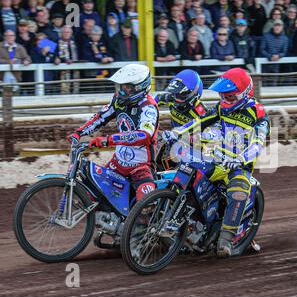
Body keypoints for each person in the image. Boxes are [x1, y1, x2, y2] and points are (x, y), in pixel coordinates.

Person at [164, 68, 271, 257]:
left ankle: (226, 239)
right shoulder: (221, 107)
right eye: (223, 96)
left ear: (244, 94)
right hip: (214, 157)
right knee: (187, 168)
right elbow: (199, 121)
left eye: (229, 97)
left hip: (238, 165)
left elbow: (258, 143)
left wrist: (240, 159)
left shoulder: (258, 113)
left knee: (238, 190)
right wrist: (176, 133)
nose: (225, 100)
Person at [67, 64, 159, 202]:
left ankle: (142, 222)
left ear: (139, 87)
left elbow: (144, 135)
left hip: (141, 166)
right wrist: (79, 132)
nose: (122, 91)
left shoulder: (148, 106)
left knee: (145, 200)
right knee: (92, 196)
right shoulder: (118, 100)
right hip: (118, 163)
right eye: (121, 87)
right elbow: (101, 117)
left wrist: (108, 140)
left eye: (127, 87)